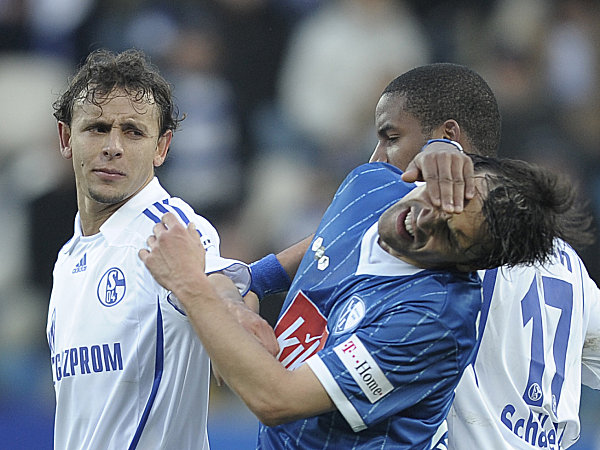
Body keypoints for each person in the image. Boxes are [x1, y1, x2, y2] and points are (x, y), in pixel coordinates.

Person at [249, 64, 600, 449]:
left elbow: (353, 240)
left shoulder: (444, 250)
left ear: (448, 140)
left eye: (391, 138)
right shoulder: (564, 262)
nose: (377, 158)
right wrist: (257, 279)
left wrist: (250, 281)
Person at [140, 148, 590, 448]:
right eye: (447, 199)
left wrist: (191, 284)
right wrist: (242, 291)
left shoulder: (430, 320)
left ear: (467, 265)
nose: (425, 220)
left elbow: (275, 399)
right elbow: (320, 248)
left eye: (450, 236)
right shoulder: (370, 186)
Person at [45, 48, 276, 449]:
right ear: (66, 138)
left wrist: (236, 313)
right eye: (97, 128)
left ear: (161, 147)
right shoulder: (68, 257)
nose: (113, 146)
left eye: (133, 132)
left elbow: (215, 282)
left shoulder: (170, 227)